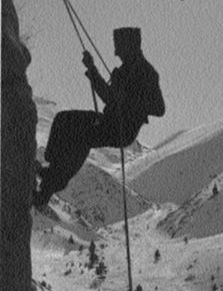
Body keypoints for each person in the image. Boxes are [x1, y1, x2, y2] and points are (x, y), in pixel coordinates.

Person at [33, 27, 165, 207]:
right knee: (64, 119)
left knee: (80, 137)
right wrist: (92, 69)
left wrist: (128, 99)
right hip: (109, 121)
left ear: (129, 46)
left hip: (122, 129)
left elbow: (159, 108)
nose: (116, 50)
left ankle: (48, 186)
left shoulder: (146, 73)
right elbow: (109, 97)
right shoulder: (124, 71)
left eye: (118, 45)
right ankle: (51, 169)